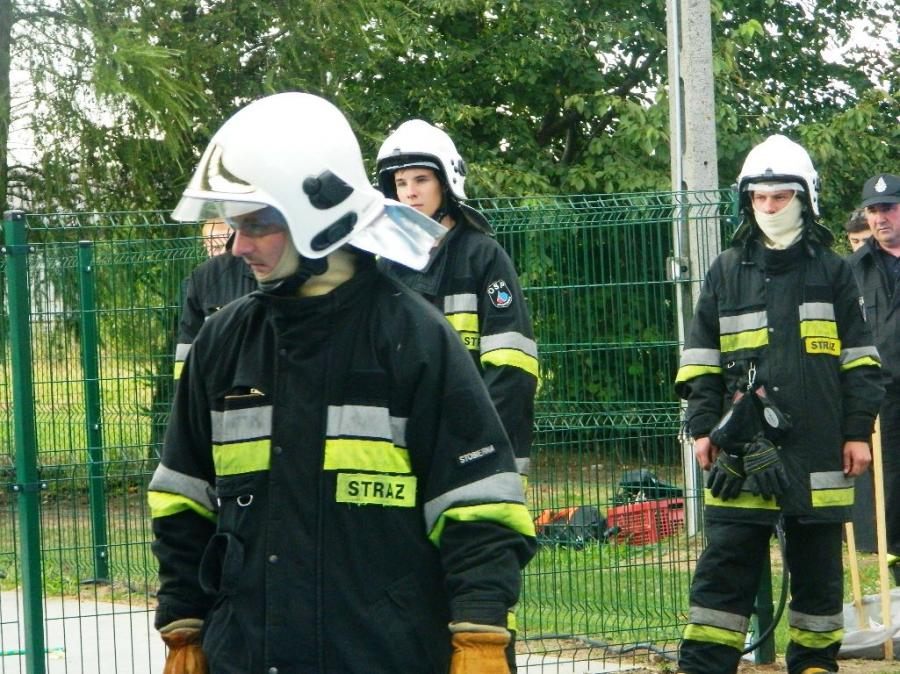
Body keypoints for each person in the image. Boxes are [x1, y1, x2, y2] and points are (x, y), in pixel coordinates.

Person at [147, 92, 536, 674]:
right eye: (235, 226)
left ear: (319, 220)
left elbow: (478, 504)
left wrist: (479, 635)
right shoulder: (222, 343)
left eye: (257, 225)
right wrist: (184, 627)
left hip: (386, 656)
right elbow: (183, 501)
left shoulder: (414, 337)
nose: (238, 246)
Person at [673, 135, 884, 674]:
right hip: (741, 450)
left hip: (820, 445)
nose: (769, 207)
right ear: (747, 200)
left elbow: (860, 362)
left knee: (818, 571)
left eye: (780, 196)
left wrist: (857, 432)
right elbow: (699, 360)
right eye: (760, 197)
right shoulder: (725, 270)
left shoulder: (833, 271)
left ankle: (814, 664)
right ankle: (705, 665)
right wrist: (703, 428)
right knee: (724, 568)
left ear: (805, 198)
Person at [375, 120, 538, 481]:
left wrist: (478, 441)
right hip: (403, 452)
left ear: (446, 182)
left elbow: (512, 368)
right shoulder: (387, 265)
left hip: (477, 449)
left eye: (421, 180)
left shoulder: (482, 256)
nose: (410, 193)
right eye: (401, 183)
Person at [848, 173, 900, 583]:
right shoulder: (852, 270)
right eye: (874, 210)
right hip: (883, 399)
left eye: (889, 208)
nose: (880, 218)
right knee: (892, 492)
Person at [173, 222, 257, 381]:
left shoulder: (299, 273)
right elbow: (187, 343)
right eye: (212, 246)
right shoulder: (202, 279)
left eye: (220, 245)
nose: (217, 252)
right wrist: (182, 390)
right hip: (221, 388)